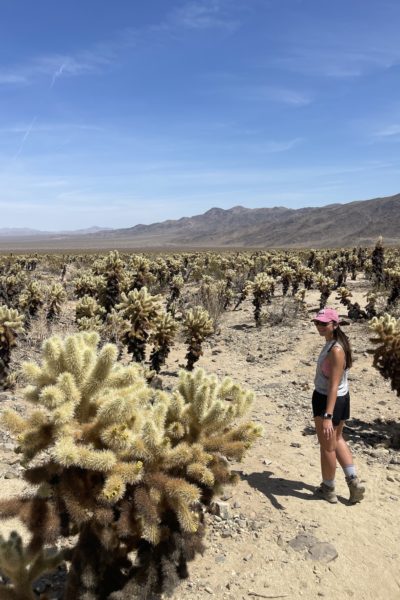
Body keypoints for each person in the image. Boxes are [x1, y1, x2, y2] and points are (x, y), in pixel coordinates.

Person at [312, 307, 365, 504]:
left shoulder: (335, 350)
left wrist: (327, 416)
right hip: (341, 399)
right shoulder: (336, 343)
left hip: (328, 399)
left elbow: (333, 385)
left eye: (324, 323)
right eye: (317, 322)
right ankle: (353, 481)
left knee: (327, 446)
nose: (320, 326)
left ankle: (328, 488)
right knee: (337, 438)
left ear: (335, 324)